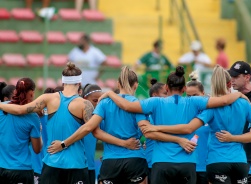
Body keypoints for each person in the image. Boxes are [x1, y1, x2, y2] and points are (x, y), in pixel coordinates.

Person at [97, 66, 248, 184]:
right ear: (184, 89)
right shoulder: (194, 101)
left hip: (161, 163)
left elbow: (128, 107)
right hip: (187, 163)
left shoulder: (155, 102)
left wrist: (111, 93)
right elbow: (223, 101)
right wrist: (239, 94)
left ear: (166, 88)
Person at [0, 63, 137, 184]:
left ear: (63, 82)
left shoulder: (48, 98)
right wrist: (123, 143)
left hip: (51, 164)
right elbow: (95, 132)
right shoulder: (85, 104)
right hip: (76, 165)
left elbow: (19, 110)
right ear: (79, 84)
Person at [0, 78, 42, 184]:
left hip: (1, 168)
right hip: (21, 170)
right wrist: (39, 132)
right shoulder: (33, 116)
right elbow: (37, 149)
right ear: (32, 93)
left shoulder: (2, 107)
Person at [228, 60, 251, 165]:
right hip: (238, 155)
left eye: (236, 77)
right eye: (231, 76)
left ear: (247, 77)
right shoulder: (234, 99)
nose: (232, 80)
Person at [186, 71, 209, 184]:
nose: (192, 99)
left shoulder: (211, 112)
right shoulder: (183, 113)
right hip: (188, 166)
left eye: (195, 95)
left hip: (208, 167)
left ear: (203, 93)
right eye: (188, 96)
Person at [146, 78, 167, 184]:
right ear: (154, 96)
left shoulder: (170, 112)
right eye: (165, 93)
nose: (168, 96)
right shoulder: (148, 116)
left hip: (169, 162)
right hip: (152, 163)